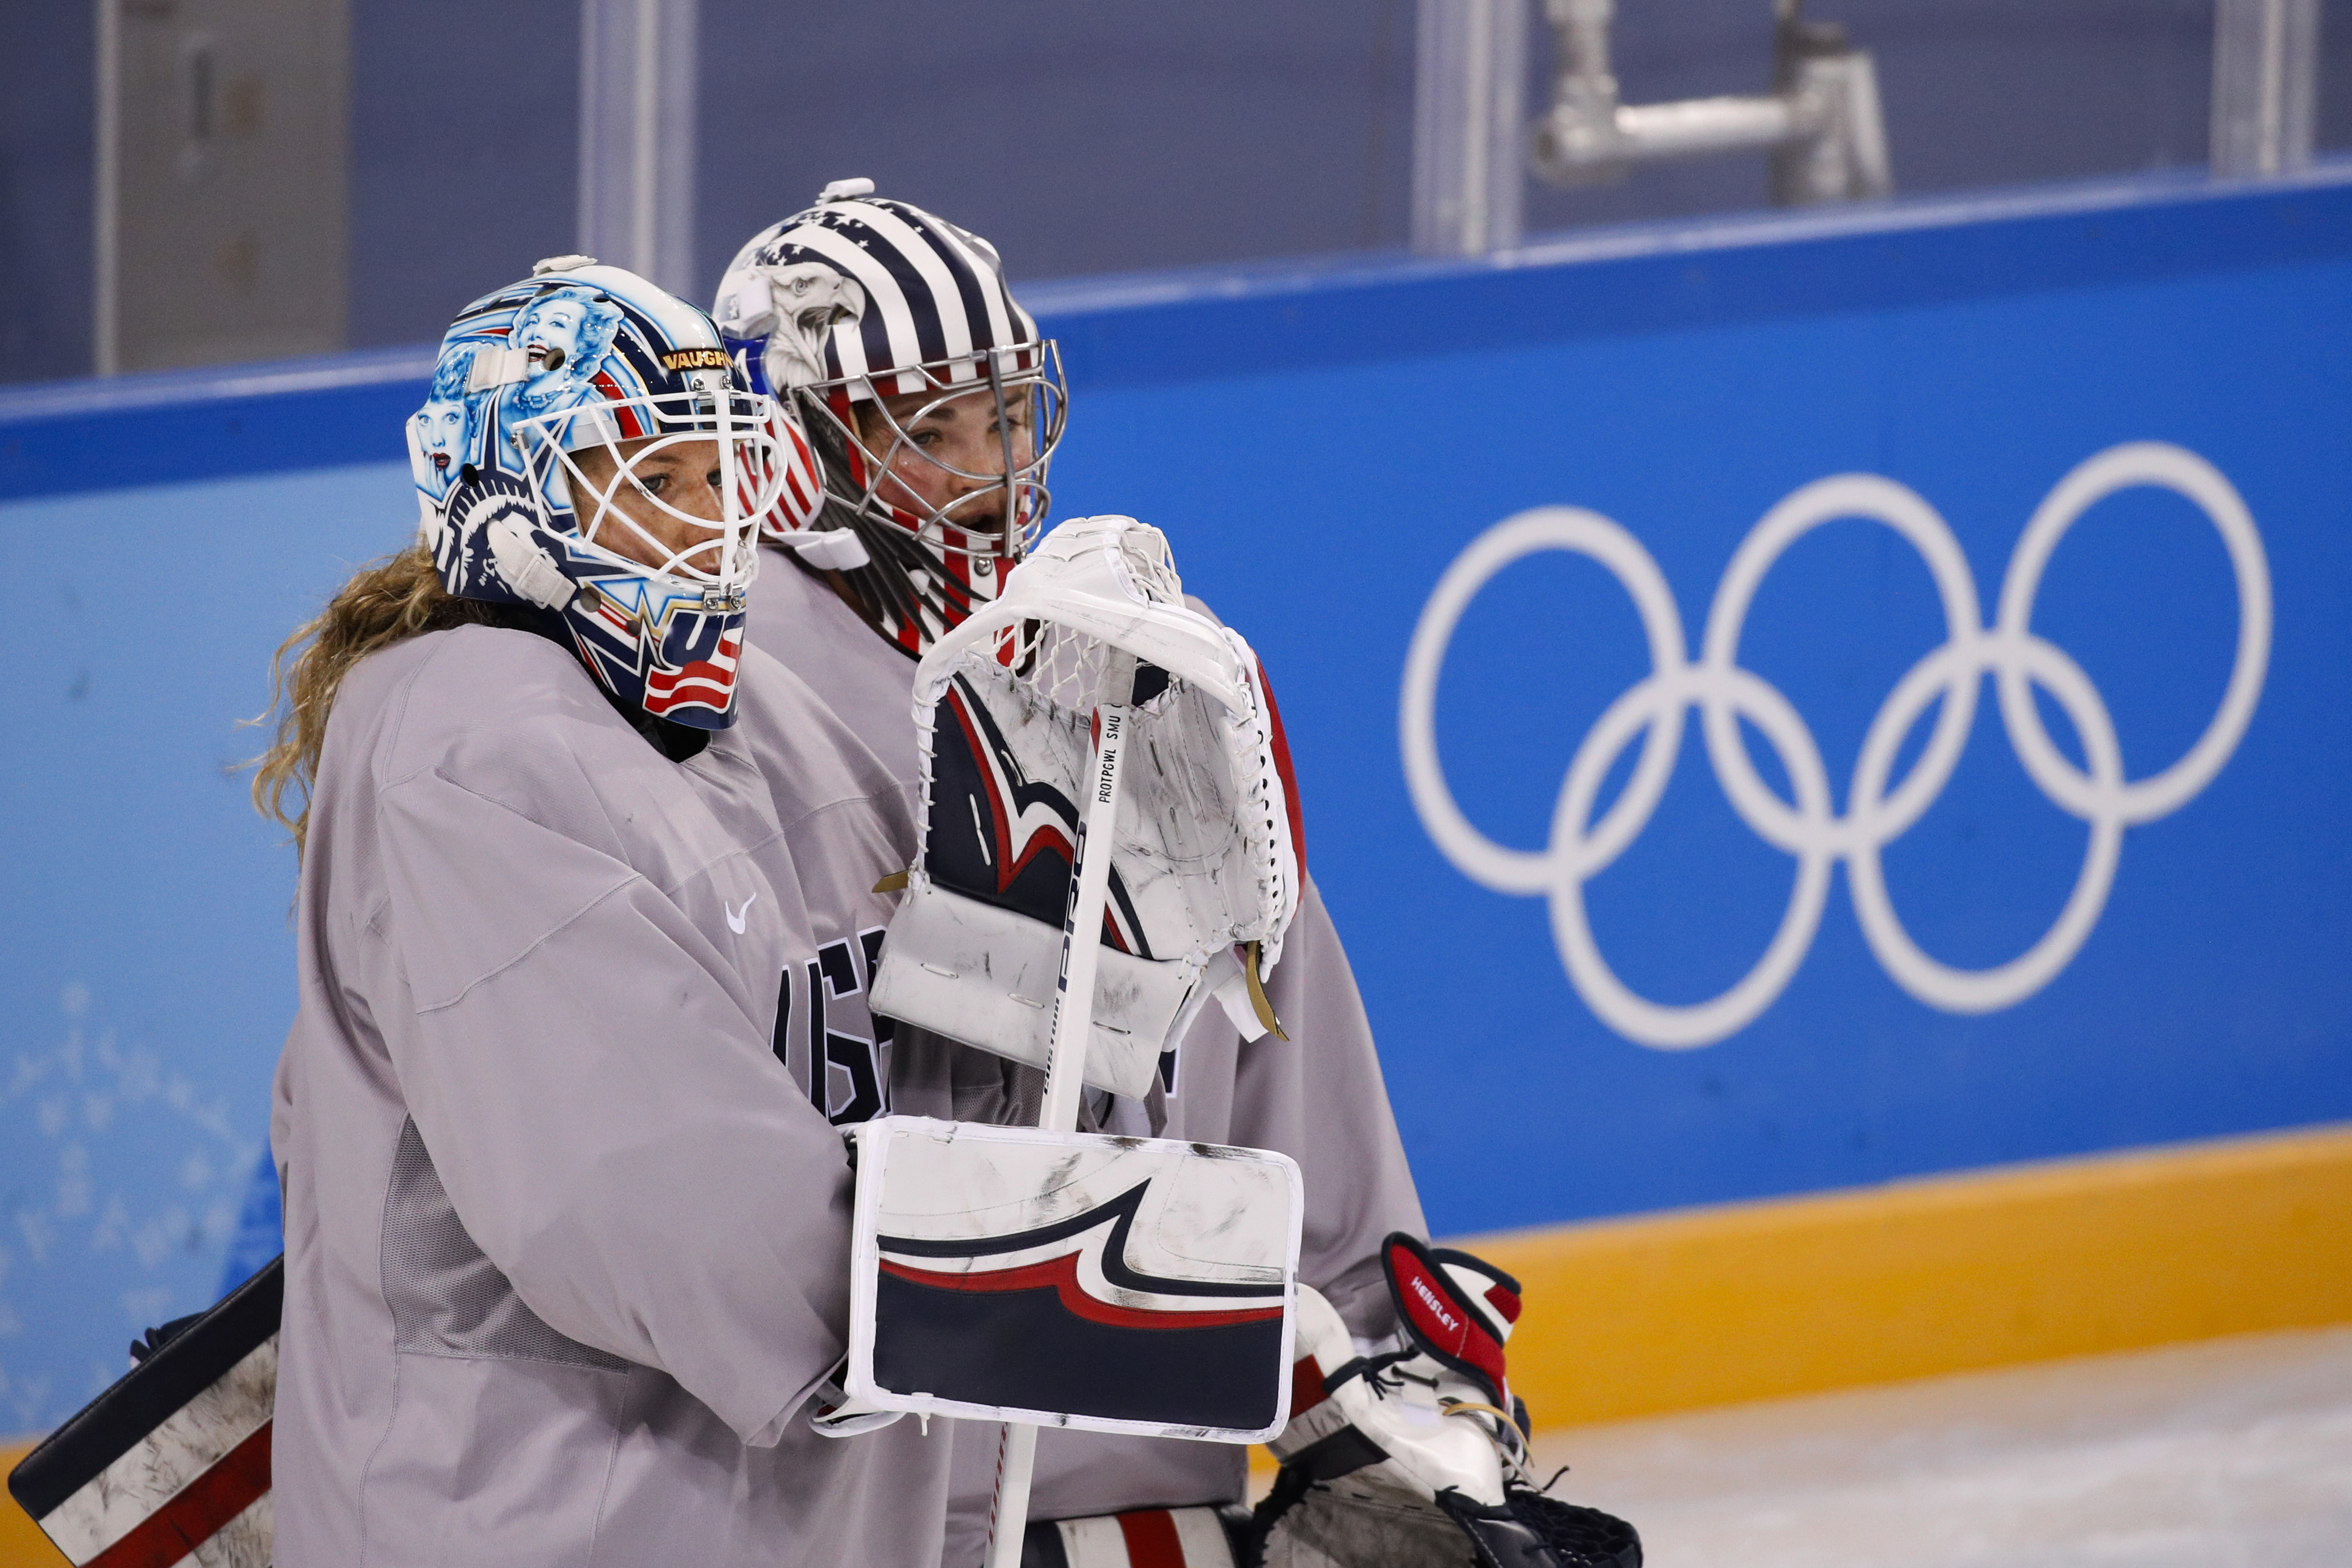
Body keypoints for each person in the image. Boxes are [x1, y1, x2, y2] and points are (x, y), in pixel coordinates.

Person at [714, 186, 1429, 1563]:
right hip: (828, 1497)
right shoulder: (685, 737)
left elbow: (1290, 1062)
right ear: (790, 446)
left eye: (1002, 417)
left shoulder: (1116, 681)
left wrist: (1392, 1383)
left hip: (1109, 1490)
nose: (988, 473)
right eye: (927, 430)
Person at [255, 257, 948, 1565]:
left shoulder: (770, 719)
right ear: (508, 501)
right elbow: (670, 1199)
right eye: (643, 484)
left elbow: (905, 1032)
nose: (701, 527)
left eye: (711, 477)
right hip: (530, 1517)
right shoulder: (464, 752)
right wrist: (1032, 1299)